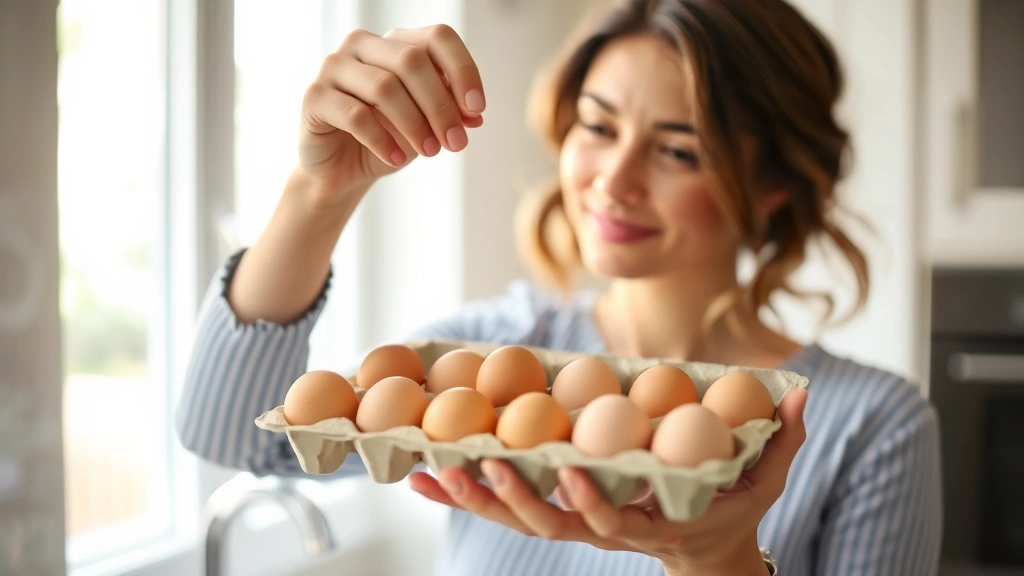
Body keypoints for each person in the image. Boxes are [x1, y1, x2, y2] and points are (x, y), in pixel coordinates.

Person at [175, 0, 942, 574]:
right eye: (598, 126)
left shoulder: (868, 426)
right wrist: (321, 194)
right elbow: (229, 432)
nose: (614, 180)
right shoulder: (490, 363)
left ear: (774, 183)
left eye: (678, 150)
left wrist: (719, 561)